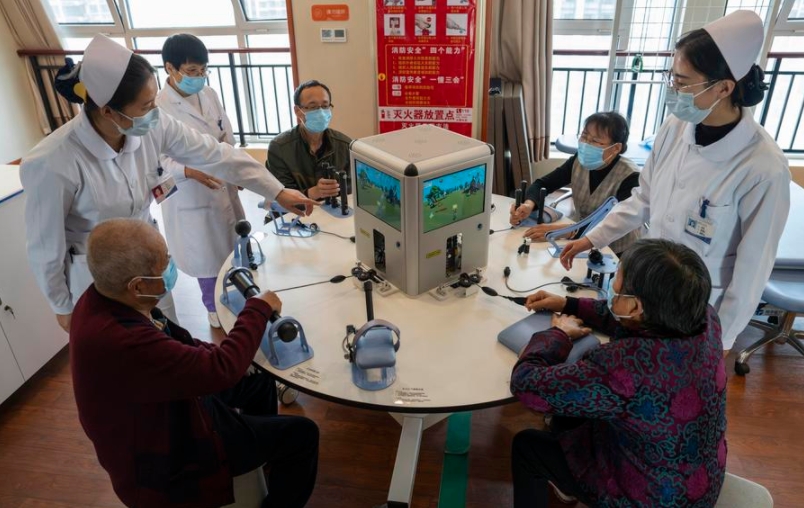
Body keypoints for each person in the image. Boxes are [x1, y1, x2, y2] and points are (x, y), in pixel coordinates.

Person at [20, 34, 316, 333]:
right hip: (97, 281)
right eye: (147, 105)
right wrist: (62, 306)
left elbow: (216, 153)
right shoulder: (52, 161)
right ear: (108, 111)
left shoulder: (152, 124)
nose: (155, 112)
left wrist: (276, 190)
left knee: (167, 338)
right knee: (126, 358)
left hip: (147, 262)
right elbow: (45, 246)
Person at [559, 11, 791, 354]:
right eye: (673, 79)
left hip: (701, 312)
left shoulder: (762, 167)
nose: (675, 91)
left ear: (724, 88)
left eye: (684, 83)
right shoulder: (675, 128)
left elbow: (752, 269)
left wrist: (720, 341)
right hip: (650, 290)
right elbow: (643, 200)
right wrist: (592, 238)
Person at [71, 218, 319, 508]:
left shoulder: (100, 300)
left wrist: (231, 346)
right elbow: (220, 370)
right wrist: (258, 308)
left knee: (259, 379)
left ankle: (259, 453)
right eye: (163, 266)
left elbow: (179, 346)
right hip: (169, 453)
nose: (169, 269)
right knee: (303, 435)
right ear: (137, 286)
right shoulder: (121, 340)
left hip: (170, 407)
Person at [510, 239, 726, 508]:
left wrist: (558, 334)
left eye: (616, 287)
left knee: (527, 446)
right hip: (700, 481)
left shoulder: (625, 369)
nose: (612, 291)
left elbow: (526, 385)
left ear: (635, 305)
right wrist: (569, 304)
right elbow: (627, 317)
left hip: (649, 497)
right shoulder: (705, 318)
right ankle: (569, 477)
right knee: (571, 409)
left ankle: (572, 482)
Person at [156, 34, 246, 329]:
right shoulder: (158, 107)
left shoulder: (209, 94)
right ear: (171, 68)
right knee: (206, 258)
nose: (199, 77)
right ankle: (211, 305)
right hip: (190, 195)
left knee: (234, 246)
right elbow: (157, 160)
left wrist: (236, 167)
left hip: (222, 182)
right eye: (192, 71)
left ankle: (239, 296)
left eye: (203, 70)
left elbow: (226, 134)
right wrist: (190, 172)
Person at [509, 112, 642, 256]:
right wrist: (528, 205)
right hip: (579, 239)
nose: (586, 144)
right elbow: (543, 184)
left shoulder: (631, 176)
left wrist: (560, 231)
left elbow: (613, 224)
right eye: (584, 136)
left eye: (595, 141)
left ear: (616, 148)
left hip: (616, 250)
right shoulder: (578, 161)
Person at [266, 80, 351, 200]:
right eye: (313, 107)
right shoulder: (280, 147)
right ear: (297, 111)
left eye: (325, 106)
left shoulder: (345, 145)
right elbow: (280, 194)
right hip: (297, 214)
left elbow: (353, 189)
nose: (321, 112)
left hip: (335, 213)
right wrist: (312, 193)